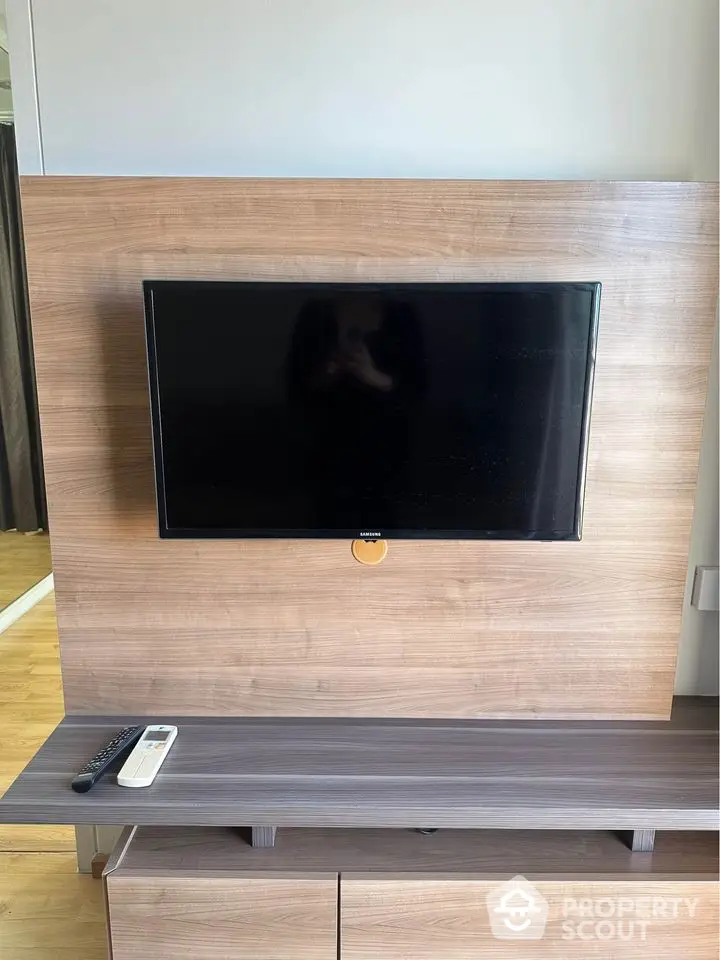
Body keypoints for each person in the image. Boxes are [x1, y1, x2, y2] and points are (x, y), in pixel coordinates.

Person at [286, 295, 425, 530]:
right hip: (326, 445)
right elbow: (295, 385)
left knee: (383, 521)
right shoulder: (316, 312)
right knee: (326, 521)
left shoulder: (401, 314)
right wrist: (330, 369)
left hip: (387, 447)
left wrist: (372, 374)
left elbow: (418, 387)